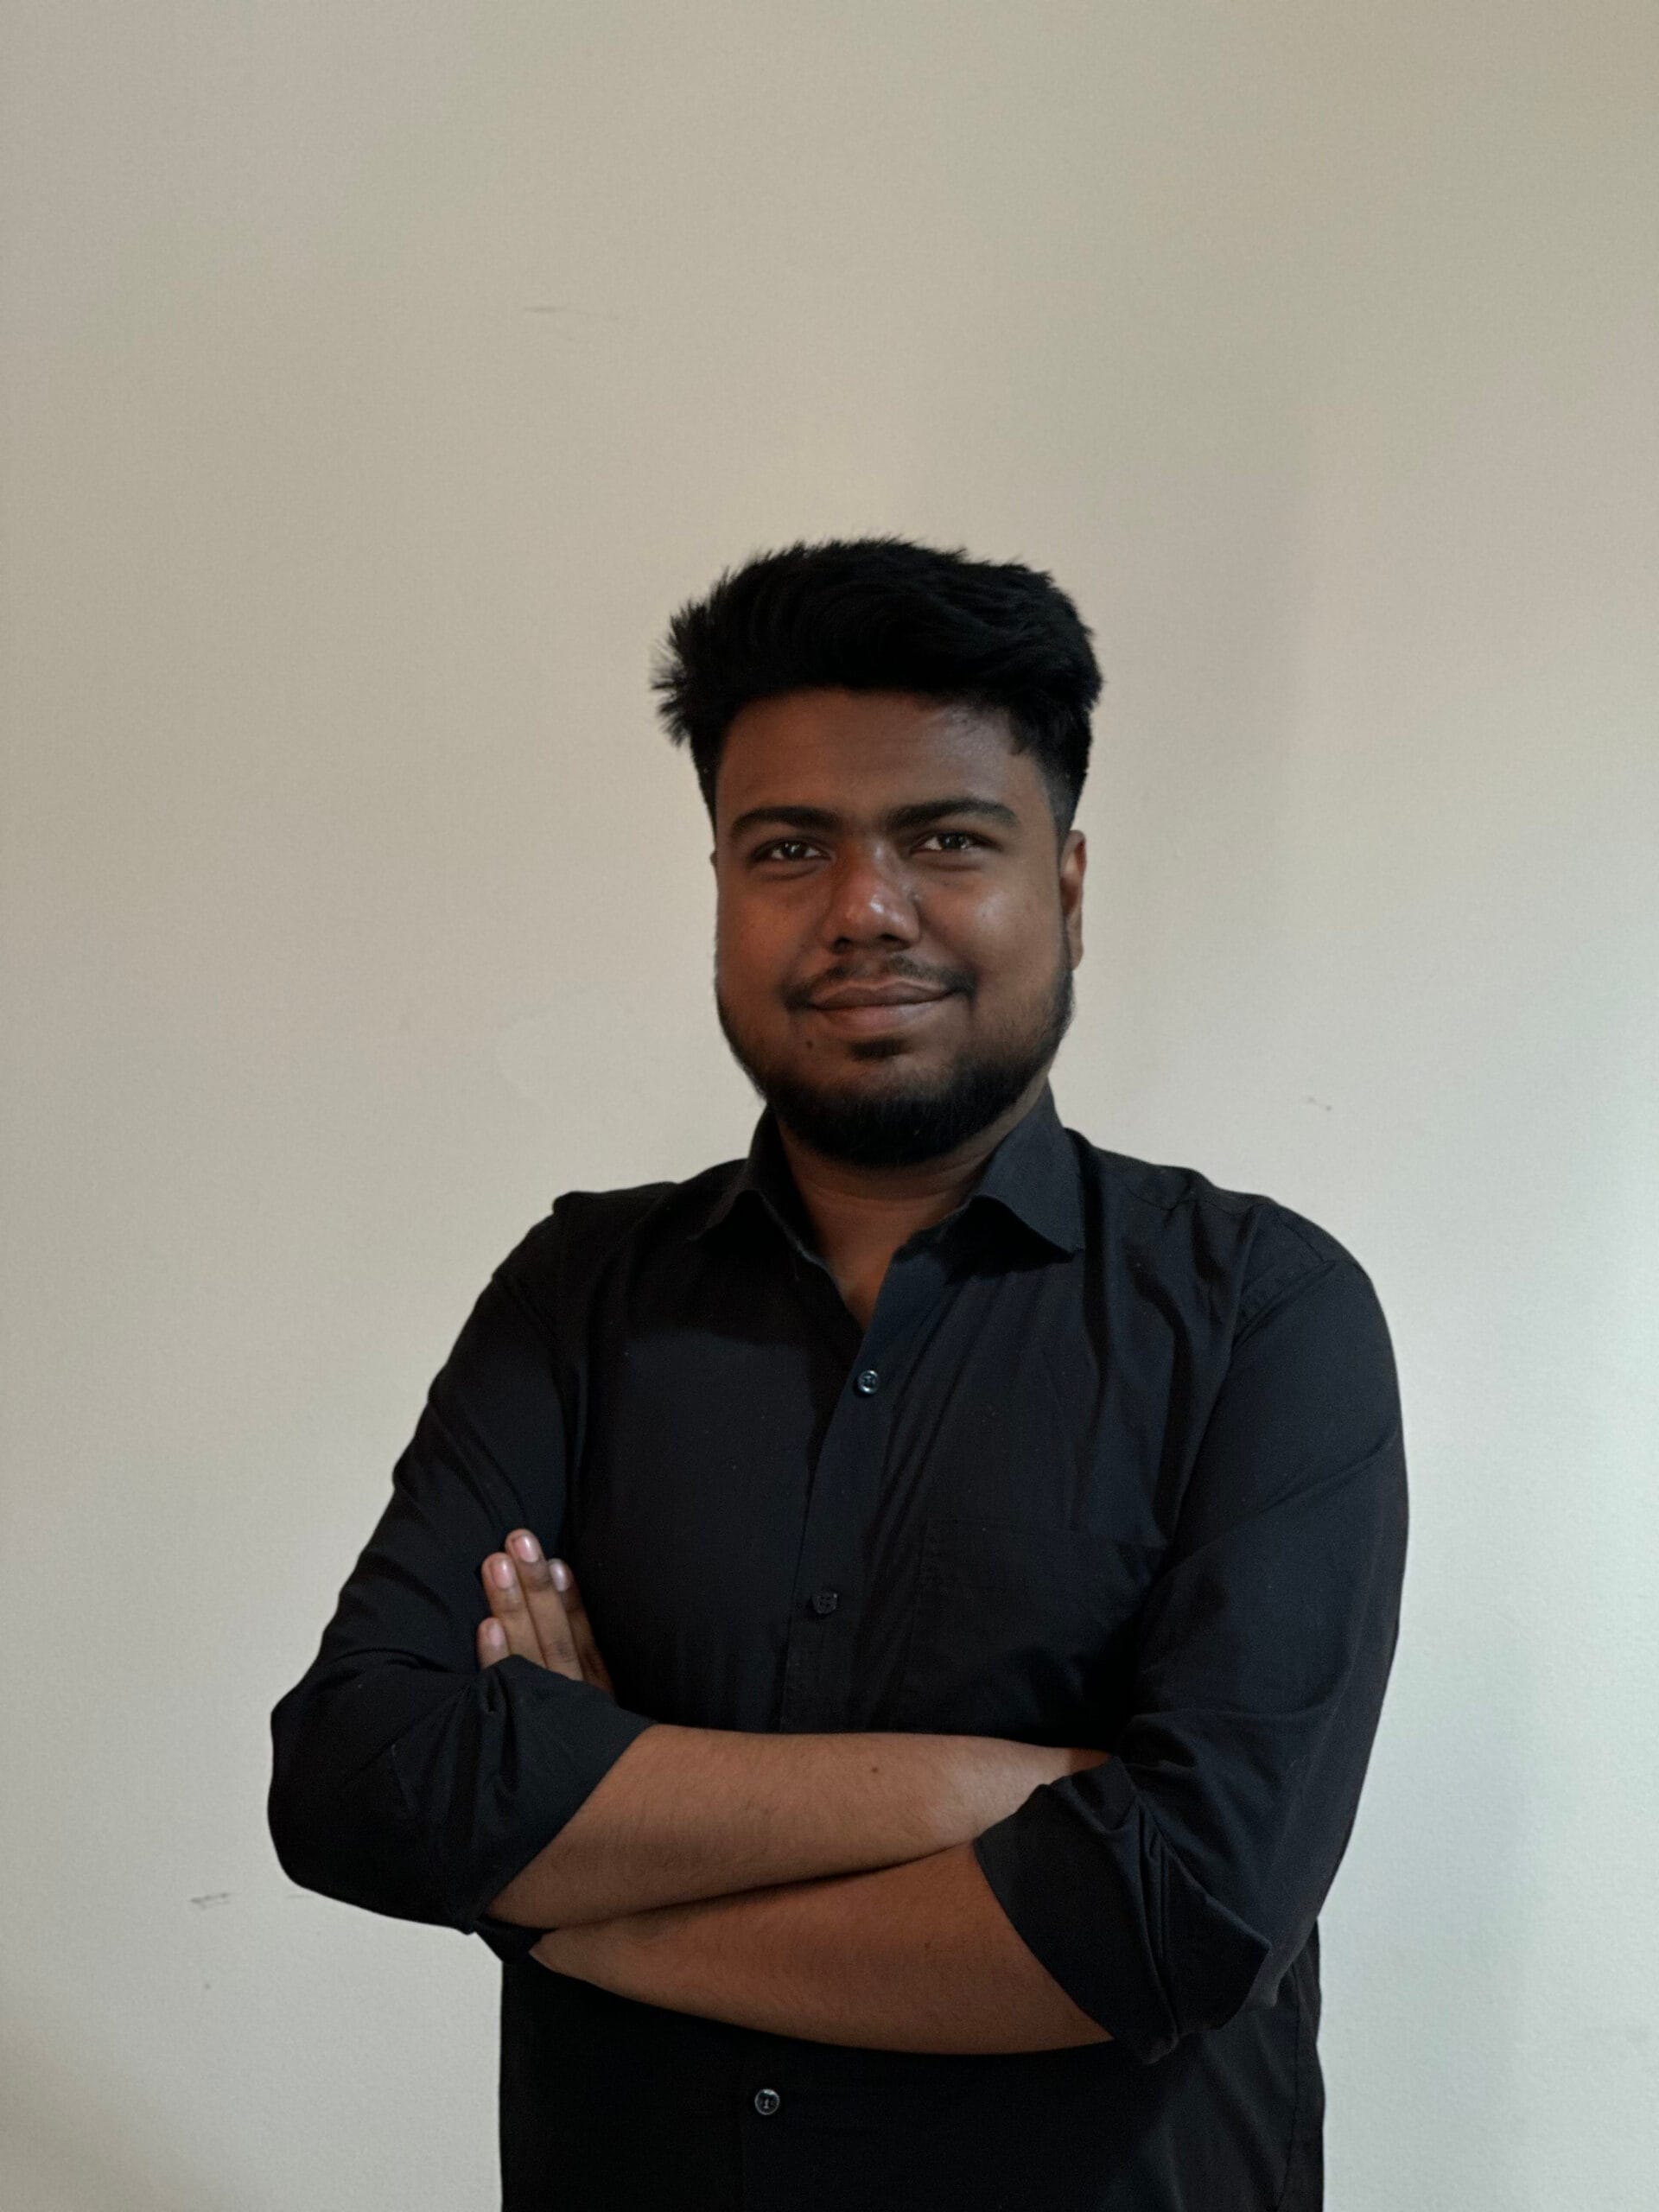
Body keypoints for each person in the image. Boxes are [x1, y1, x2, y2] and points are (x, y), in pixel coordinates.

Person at [268, 537, 1408, 2211]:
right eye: (789, 847)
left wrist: (575, 1893)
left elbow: (1180, 1910)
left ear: (1068, 883)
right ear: (722, 886)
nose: (863, 908)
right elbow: (360, 1783)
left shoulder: (1263, 1312)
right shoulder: (579, 1295)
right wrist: (975, 1789)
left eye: (946, 839)